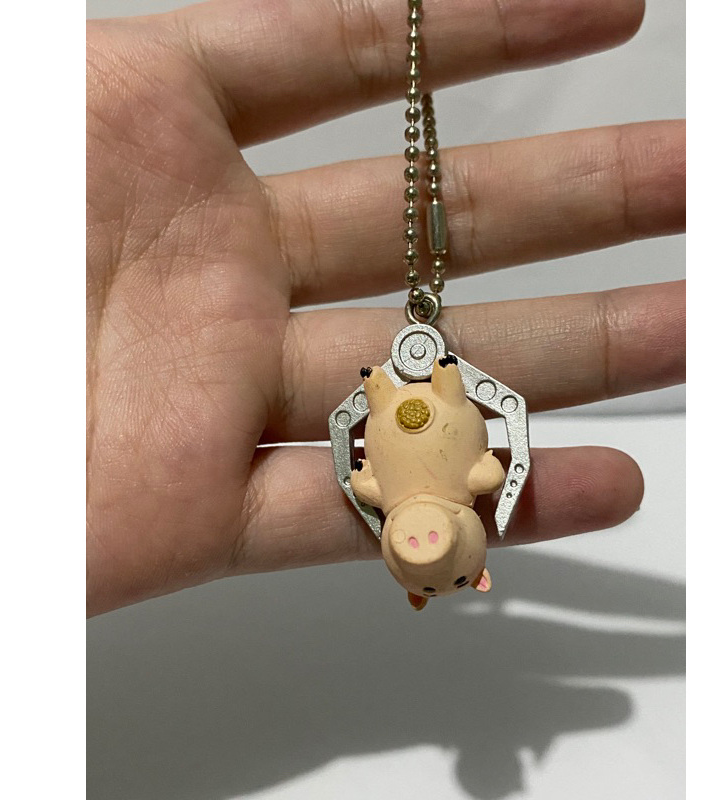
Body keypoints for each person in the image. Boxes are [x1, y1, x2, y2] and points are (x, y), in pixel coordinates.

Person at [86, 0, 685, 616]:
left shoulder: (391, 490)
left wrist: (381, 478)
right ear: (477, 568)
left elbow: (362, 449)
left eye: (418, 569)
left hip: (399, 416)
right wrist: (496, 475)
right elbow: (489, 427)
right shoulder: (464, 478)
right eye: (452, 566)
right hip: (431, 402)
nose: (424, 548)